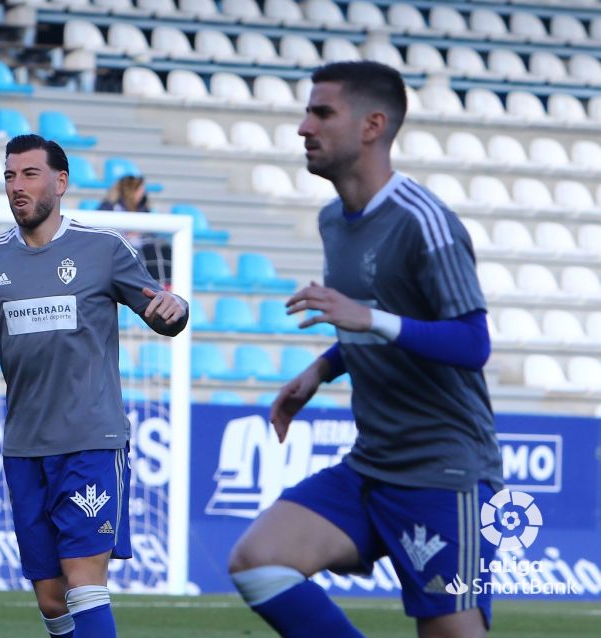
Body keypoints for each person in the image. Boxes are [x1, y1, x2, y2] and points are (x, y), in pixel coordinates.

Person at [228, 61, 503, 638]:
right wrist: (322, 369)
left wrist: (365, 319)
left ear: (373, 125)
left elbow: (473, 342)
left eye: (321, 112)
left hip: (445, 472)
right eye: (307, 111)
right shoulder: (335, 220)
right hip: (373, 465)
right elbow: (373, 322)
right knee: (259, 560)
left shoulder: (424, 222)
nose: (305, 126)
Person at [0, 134, 188, 638]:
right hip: (25, 446)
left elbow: (161, 314)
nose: (17, 186)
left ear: (60, 181)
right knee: (52, 599)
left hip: (90, 440)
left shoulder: (102, 249)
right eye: (9, 176)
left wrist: (175, 309)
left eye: (29, 174)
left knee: (83, 582)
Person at [98, 175, 172, 287]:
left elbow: (151, 232)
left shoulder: (143, 209)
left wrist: (139, 233)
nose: (143, 193)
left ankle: (162, 286)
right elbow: (102, 230)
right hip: (119, 245)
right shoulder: (109, 207)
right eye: (140, 189)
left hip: (140, 243)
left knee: (162, 248)